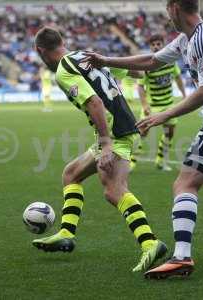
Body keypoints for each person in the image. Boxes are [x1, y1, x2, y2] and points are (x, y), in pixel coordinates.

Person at [83, 0, 203, 279]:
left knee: (185, 182)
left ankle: (182, 257)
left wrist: (162, 115)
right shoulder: (187, 39)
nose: (166, 15)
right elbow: (151, 62)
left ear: (176, 7)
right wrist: (106, 60)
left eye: (167, 9)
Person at [32, 26, 167, 273]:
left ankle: (151, 243)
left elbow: (94, 102)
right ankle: (66, 233)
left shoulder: (64, 70)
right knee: (71, 174)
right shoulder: (85, 56)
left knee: (114, 190)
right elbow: (135, 72)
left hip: (116, 132)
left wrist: (105, 143)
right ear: (62, 41)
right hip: (120, 126)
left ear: (40, 51)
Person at [130, 34, 186, 171]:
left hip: (168, 104)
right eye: (153, 44)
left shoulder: (171, 61)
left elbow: (178, 77)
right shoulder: (147, 64)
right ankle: (130, 163)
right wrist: (144, 105)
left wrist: (184, 95)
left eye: (158, 44)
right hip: (152, 105)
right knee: (142, 132)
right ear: (150, 47)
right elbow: (140, 86)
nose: (156, 46)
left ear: (163, 45)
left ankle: (160, 161)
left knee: (169, 133)